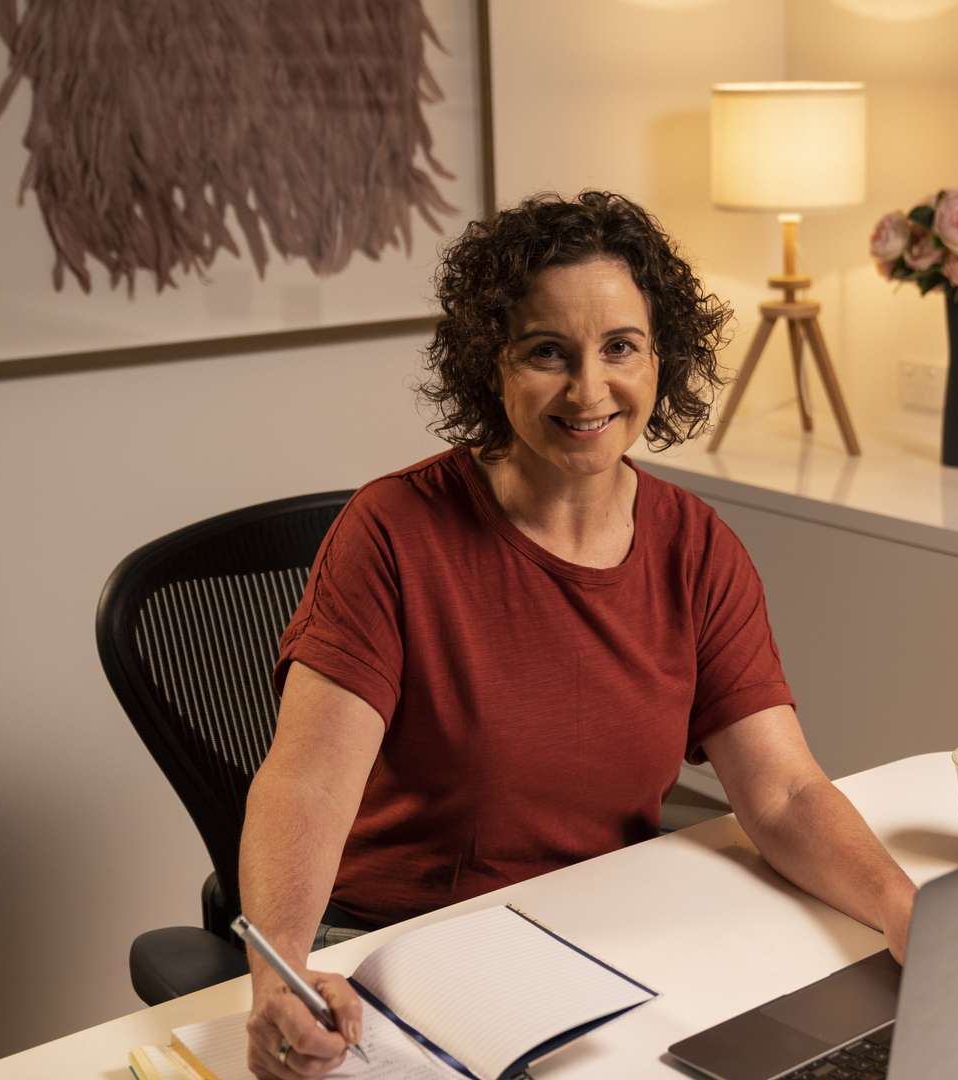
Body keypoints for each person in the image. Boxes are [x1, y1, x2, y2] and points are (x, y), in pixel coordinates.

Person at [237, 191, 916, 1078]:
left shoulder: (695, 546)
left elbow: (783, 795)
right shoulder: (392, 534)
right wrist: (277, 972)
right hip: (401, 954)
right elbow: (307, 784)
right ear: (492, 366)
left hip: (599, 948)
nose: (590, 389)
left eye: (620, 348)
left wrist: (911, 914)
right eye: (547, 352)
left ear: (660, 357)